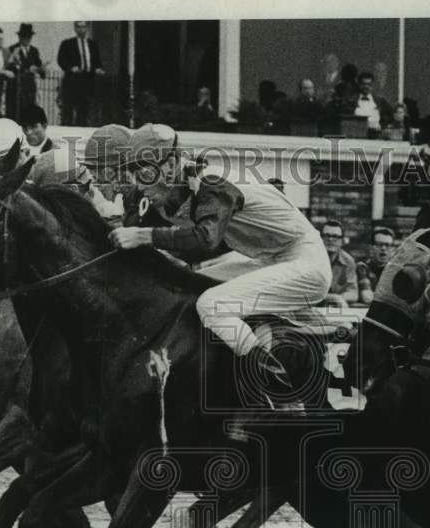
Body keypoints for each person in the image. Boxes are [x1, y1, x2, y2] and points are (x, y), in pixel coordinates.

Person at [107, 123, 332, 398]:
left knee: (212, 305)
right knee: (194, 283)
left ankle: (275, 391)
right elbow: (195, 247)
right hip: (274, 260)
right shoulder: (191, 186)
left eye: (144, 172)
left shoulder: (213, 181)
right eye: (133, 174)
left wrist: (144, 235)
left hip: (305, 262)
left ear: (172, 164)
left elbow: (206, 239)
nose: (139, 184)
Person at [57, 21, 104, 126]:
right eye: (79, 27)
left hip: (87, 81)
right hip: (72, 80)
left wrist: (98, 69)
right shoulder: (67, 43)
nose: (81, 29)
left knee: (84, 110)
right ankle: (66, 131)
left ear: (87, 28)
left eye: (83, 27)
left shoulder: (93, 44)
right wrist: (71, 68)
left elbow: (97, 61)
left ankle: (80, 130)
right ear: (75, 28)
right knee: (68, 109)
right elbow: (61, 59)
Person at [7, 24, 44, 119]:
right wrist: (27, 69)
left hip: (30, 88)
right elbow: (10, 66)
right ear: (19, 37)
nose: (27, 39)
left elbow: (39, 64)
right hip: (16, 88)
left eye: (29, 37)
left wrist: (41, 70)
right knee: (16, 113)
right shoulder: (12, 49)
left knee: (29, 113)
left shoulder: (34, 51)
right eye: (24, 36)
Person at [320, 220, 358, 305]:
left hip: (336, 307)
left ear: (342, 241)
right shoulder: (310, 258)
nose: (330, 239)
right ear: (320, 238)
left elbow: (353, 293)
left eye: (335, 236)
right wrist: (333, 298)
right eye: (326, 236)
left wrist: (339, 298)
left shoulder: (348, 262)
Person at [356, 226, 396, 302]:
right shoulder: (363, 267)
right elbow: (367, 297)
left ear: (393, 249)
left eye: (387, 245)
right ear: (371, 248)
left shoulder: (396, 270)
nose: (383, 248)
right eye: (379, 244)